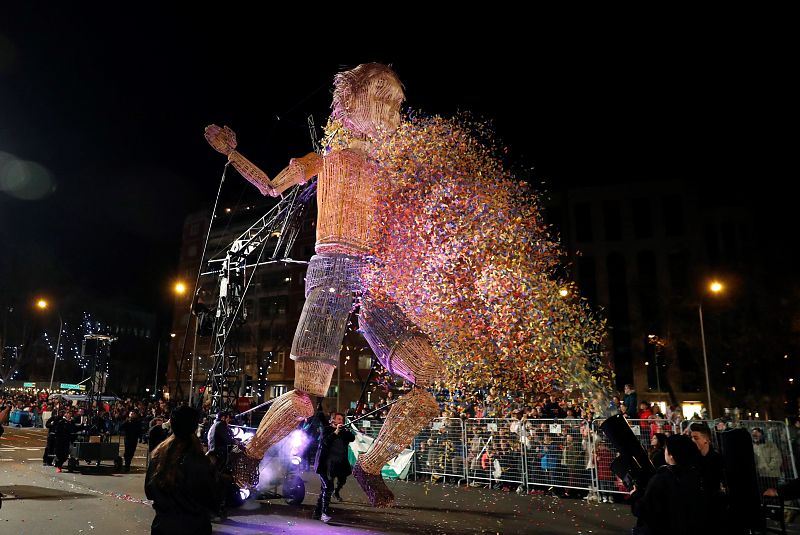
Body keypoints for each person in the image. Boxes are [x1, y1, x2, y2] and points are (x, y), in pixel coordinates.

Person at [205, 63, 441, 508]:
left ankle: (370, 464)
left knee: (427, 381)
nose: (392, 111)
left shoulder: (388, 173)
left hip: (375, 283)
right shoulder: (325, 160)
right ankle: (249, 455)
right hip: (332, 273)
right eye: (384, 99)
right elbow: (271, 187)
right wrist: (229, 154)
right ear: (352, 102)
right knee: (305, 398)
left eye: (395, 103)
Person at [145, 405, 220, 535]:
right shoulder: (199, 460)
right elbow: (211, 497)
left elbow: (149, 491)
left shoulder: (159, 455)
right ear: (195, 427)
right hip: (194, 527)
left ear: (172, 425)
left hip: (163, 526)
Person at [630, 434, 704, 534]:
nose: (664, 451)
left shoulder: (661, 479)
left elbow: (643, 510)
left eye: (666, 448)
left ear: (671, 455)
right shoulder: (694, 474)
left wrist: (635, 495)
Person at [313, 412, 355, 523]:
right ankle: (324, 513)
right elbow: (325, 442)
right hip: (325, 466)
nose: (341, 421)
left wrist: (347, 430)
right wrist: (335, 432)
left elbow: (352, 438)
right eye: (339, 419)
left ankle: (317, 512)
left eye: (342, 419)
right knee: (328, 487)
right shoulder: (326, 430)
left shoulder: (343, 432)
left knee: (325, 489)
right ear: (333, 420)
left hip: (338, 465)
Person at [688, 421, 726, 514]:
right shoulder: (692, 458)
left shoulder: (717, 458)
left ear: (706, 439)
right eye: (691, 437)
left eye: (696, 438)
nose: (692, 440)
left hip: (714, 502)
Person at [752, 427, 782, 492]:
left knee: (773, 495)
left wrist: (769, 468)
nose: (755, 436)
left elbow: (777, 458)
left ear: (762, 435)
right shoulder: (752, 446)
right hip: (759, 476)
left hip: (771, 475)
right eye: (753, 435)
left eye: (757, 434)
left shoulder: (770, 444)